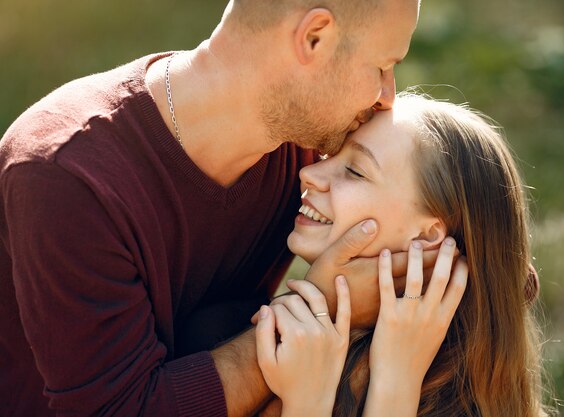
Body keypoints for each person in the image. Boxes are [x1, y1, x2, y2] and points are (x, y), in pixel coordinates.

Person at [0, 1, 435, 416]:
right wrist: (320, 307)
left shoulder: (305, 153)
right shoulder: (68, 175)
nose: (387, 96)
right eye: (382, 66)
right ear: (314, 38)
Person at [254, 93, 549, 417]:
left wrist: (310, 404)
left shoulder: (459, 402)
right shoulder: (276, 331)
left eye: (355, 171)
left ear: (427, 235)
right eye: (330, 154)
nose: (310, 173)